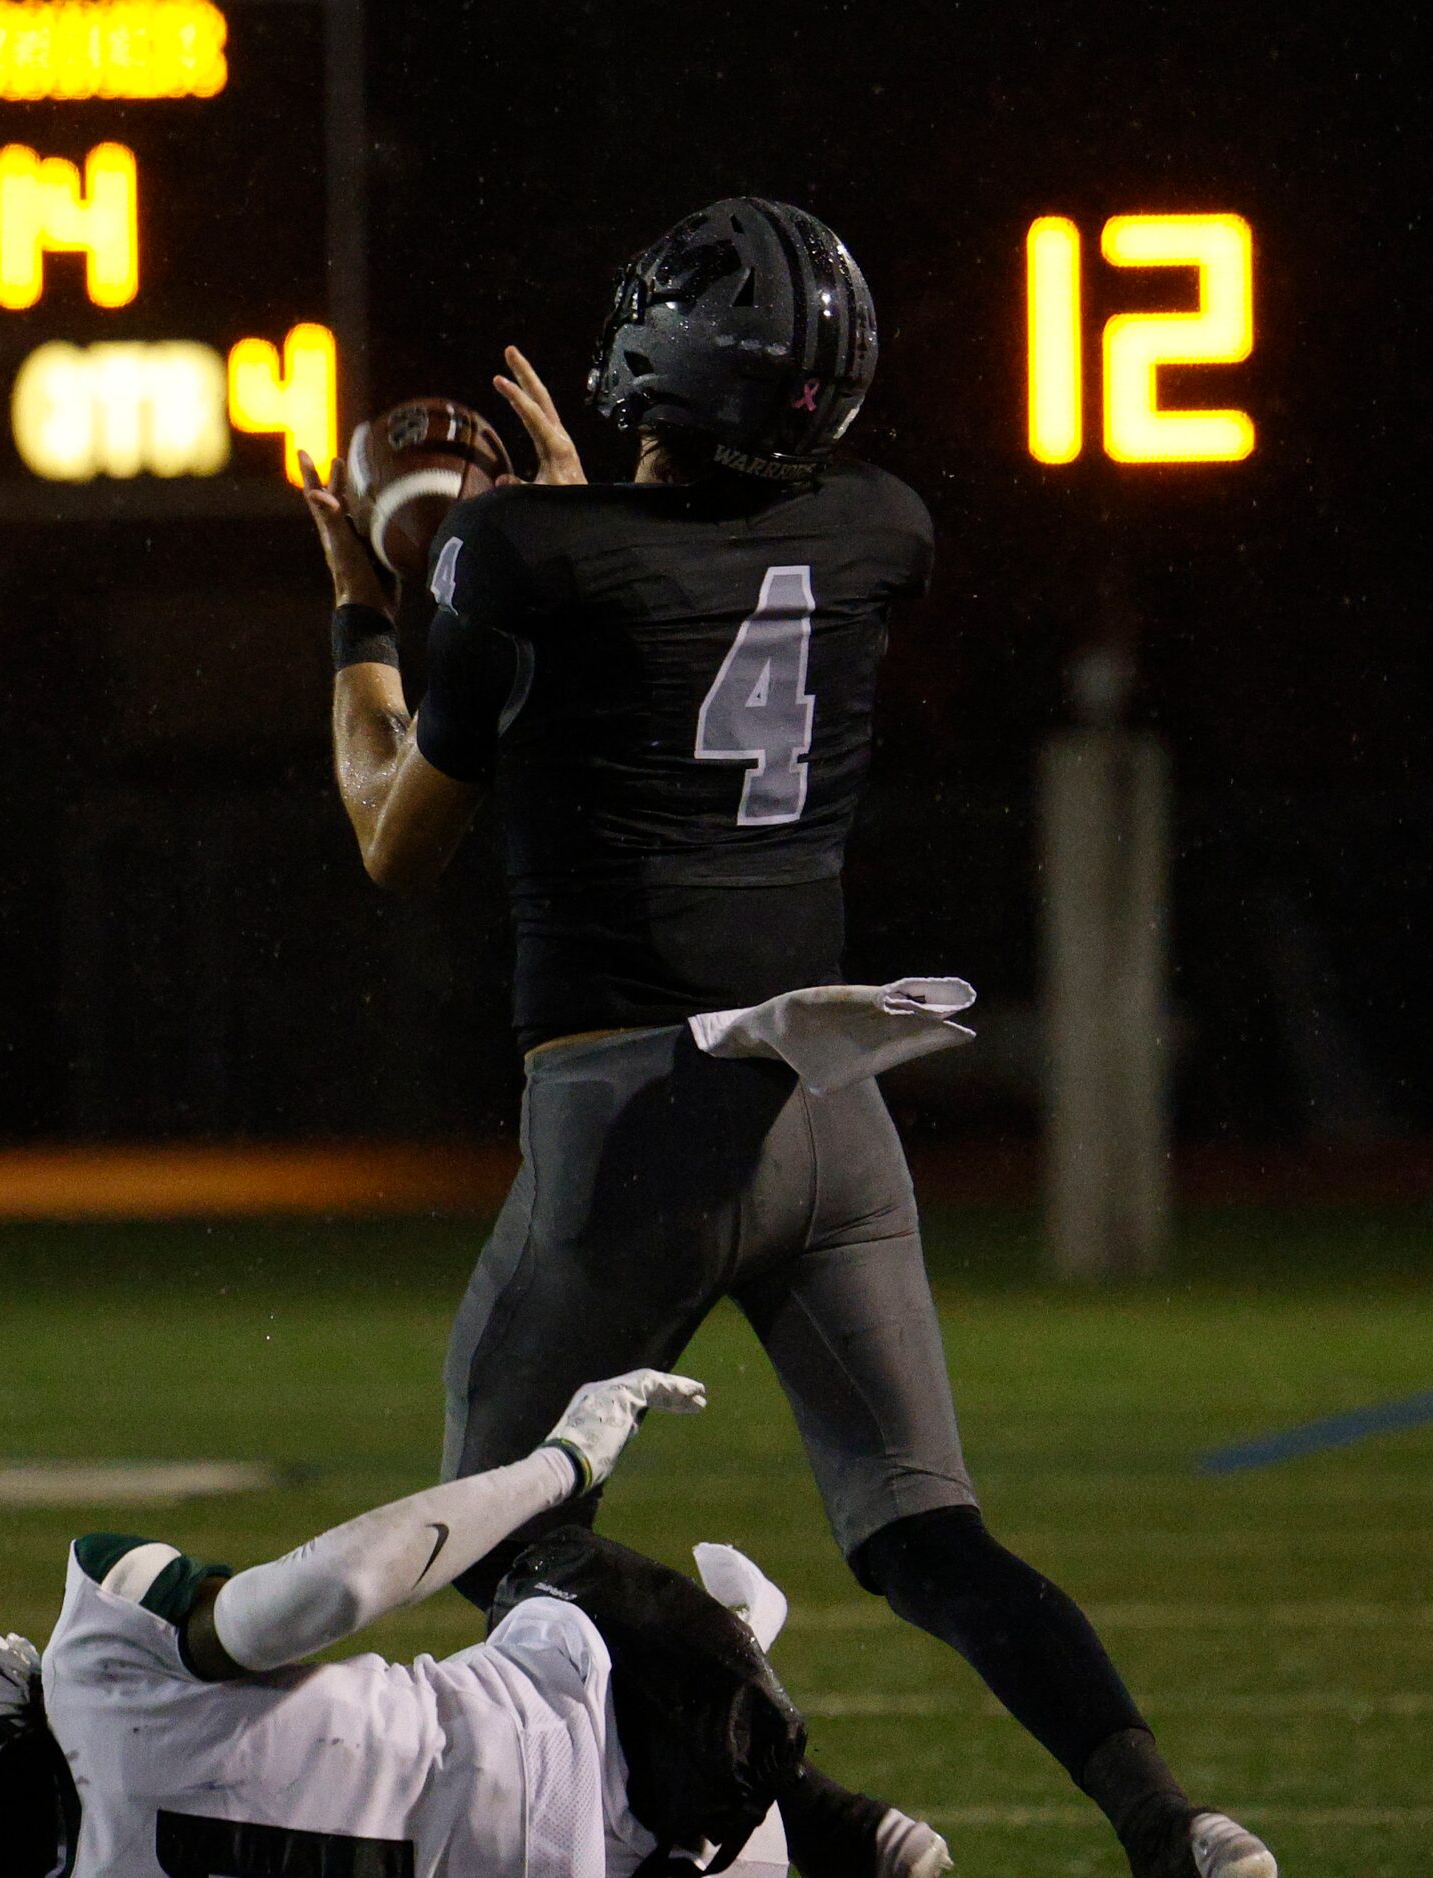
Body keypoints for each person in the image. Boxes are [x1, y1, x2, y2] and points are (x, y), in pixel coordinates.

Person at [299, 196, 1277, 1878]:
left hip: (632, 1114)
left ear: (656, 363)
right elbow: (677, 571)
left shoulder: (519, 556)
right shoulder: (873, 529)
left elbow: (394, 831)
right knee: (924, 1530)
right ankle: (1168, 1821)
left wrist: (362, 615)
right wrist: (567, 518)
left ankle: (813, 1813)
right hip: (828, 1103)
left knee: (498, 1520)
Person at [0, 1369, 950, 1878]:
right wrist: (561, 1459)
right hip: (610, 1717)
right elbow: (327, 1592)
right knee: (548, 1564)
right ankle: (820, 1799)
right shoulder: (98, 1653)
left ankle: (779, 1788)